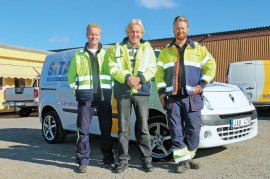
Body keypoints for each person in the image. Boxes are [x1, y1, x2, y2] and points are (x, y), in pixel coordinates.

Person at [155, 16, 216, 173]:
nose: (179, 30)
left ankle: (189, 157)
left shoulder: (199, 48)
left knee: (194, 129)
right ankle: (182, 161)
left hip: (191, 97)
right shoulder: (165, 51)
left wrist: (202, 84)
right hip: (172, 97)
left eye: (182, 28)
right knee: (175, 130)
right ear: (173, 29)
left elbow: (211, 65)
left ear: (187, 29)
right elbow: (159, 74)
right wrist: (161, 92)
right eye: (177, 28)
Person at [108, 19, 157, 173]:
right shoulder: (117, 48)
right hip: (123, 92)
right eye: (132, 31)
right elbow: (112, 68)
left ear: (141, 33)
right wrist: (128, 78)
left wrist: (140, 79)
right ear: (127, 32)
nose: (135, 34)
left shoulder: (148, 48)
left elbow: (153, 68)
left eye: (138, 31)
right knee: (122, 128)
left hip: (141, 93)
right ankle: (123, 161)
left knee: (143, 127)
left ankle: (146, 160)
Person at [68, 23, 115, 173]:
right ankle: (82, 161)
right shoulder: (78, 55)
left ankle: (108, 159)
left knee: (106, 129)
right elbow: (70, 79)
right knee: (83, 131)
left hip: (103, 97)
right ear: (86, 35)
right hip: (85, 98)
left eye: (96, 34)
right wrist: (80, 91)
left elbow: (114, 75)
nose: (93, 37)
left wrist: (110, 91)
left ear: (100, 35)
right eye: (91, 34)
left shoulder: (108, 55)